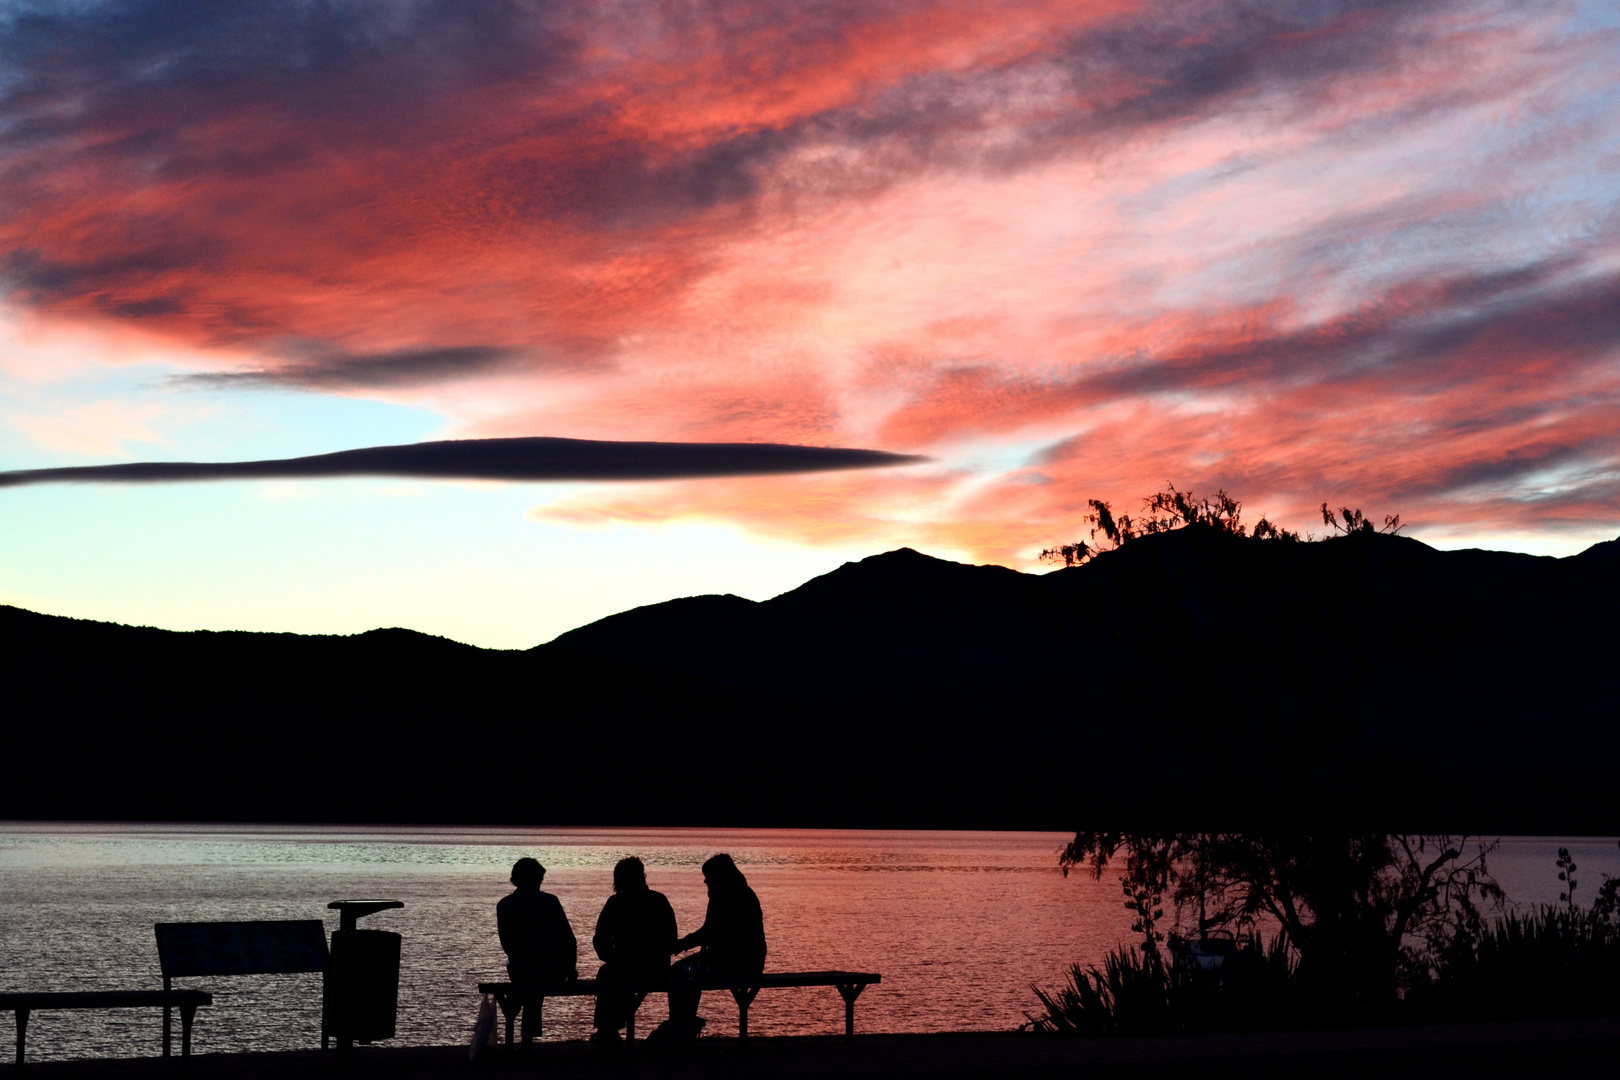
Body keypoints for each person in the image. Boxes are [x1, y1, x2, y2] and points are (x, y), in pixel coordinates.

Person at [660, 853, 764, 1042]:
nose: (705, 880)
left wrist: (683, 943)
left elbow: (711, 932)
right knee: (687, 973)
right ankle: (683, 1023)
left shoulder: (728, 897)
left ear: (719, 876)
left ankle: (680, 1024)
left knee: (678, 973)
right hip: (746, 963)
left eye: (708, 876)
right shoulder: (740, 893)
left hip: (734, 966)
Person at [590, 857, 678, 1045]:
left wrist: (611, 958)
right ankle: (610, 1030)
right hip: (657, 969)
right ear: (642, 877)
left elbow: (600, 939)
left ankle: (607, 1031)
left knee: (607, 974)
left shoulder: (615, 903)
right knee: (613, 975)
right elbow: (671, 939)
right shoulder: (659, 900)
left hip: (623, 967)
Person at [496, 857, 577, 988]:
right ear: (536, 879)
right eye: (540, 879)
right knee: (534, 991)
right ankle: (515, 1005)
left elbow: (506, 943)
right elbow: (569, 940)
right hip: (552, 971)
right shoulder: (550, 901)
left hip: (520, 971)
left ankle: (513, 1005)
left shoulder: (504, 904)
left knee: (527, 982)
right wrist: (571, 969)